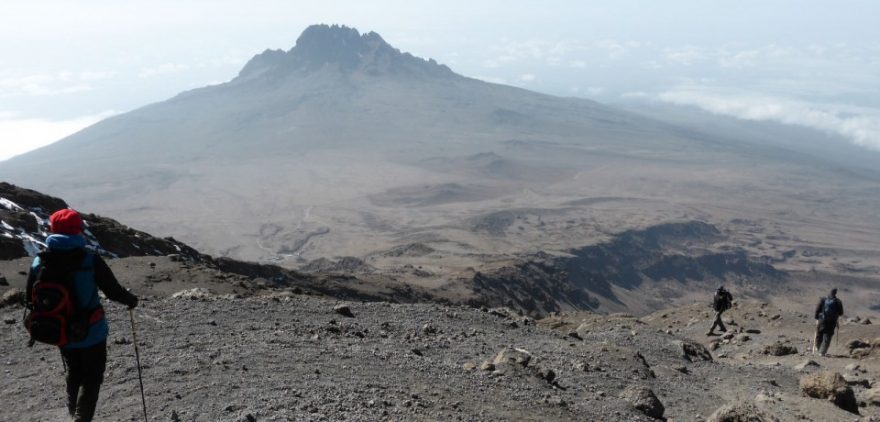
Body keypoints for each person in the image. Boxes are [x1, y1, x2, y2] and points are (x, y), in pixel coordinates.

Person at [26, 209, 138, 422]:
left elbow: (30, 299)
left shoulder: (40, 261)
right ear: (78, 230)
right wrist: (130, 300)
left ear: (53, 230)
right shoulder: (89, 259)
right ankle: (81, 418)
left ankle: (72, 414)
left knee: (74, 370)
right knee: (92, 377)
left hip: (60, 330)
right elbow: (112, 291)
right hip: (92, 330)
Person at [814, 288, 844, 357]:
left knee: (819, 334)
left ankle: (818, 348)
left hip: (822, 320)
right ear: (835, 293)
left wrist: (816, 317)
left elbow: (817, 309)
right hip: (832, 321)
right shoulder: (838, 301)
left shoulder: (823, 299)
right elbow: (841, 312)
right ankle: (822, 352)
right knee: (827, 336)